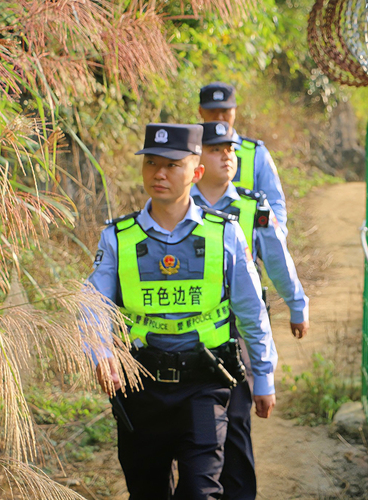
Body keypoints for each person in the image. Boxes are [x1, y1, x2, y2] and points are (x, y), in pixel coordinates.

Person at [86, 123, 277, 500]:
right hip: (139, 387)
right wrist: (101, 352)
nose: (159, 173)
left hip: (204, 383)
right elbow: (91, 303)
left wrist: (265, 377)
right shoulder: (117, 237)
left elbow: (251, 310)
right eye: (152, 163)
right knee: (147, 492)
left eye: (172, 165)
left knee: (199, 492)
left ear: (196, 172)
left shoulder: (224, 233)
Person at [191, 121, 309, 500]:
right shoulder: (177, 208)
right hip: (187, 334)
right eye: (216, 148)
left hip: (237, 328)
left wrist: (296, 304)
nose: (228, 155)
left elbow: (277, 259)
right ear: (197, 160)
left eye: (230, 148)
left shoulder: (253, 206)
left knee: (236, 420)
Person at [198, 82, 290, 236]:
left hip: (248, 252)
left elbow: (274, 202)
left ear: (235, 110)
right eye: (212, 110)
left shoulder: (256, 153)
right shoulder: (188, 152)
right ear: (200, 111)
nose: (219, 117)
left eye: (225, 110)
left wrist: (274, 239)